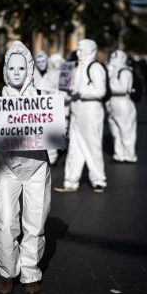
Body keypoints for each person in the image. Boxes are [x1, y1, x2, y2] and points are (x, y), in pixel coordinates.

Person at [0, 41, 67, 294]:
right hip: (6, 170)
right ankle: (7, 273)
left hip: (36, 168)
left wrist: (61, 136)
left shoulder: (43, 100)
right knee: (5, 222)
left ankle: (30, 272)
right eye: (12, 68)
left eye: (22, 67)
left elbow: (56, 132)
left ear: (29, 69)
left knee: (35, 223)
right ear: (5, 70)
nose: (17, 72)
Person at [54, 39, 107, 194]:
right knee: (74, 149)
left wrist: (81, 92)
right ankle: (70, 181)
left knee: (93, 146)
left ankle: (99, 180)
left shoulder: (95, 67)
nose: (77, 53)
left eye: (81, 49)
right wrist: (69, 90)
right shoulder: (77, 67)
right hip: (77, 112)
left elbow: (100, 92)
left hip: (91, 113)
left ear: (90, 50)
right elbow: (75, 89)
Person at [106, 50, 138, 163]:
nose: (112, 60)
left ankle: (129, 155)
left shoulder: (125, 72)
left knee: (126, 131)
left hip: (123, 103)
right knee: (115, 132)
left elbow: (123, 89)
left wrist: (107, 85)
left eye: (115, 58)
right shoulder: (114, 71)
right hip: (113, 104)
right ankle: (119, 154)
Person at [40, 53, 64, 166]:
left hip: (65, 110)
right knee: (51, 133)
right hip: (51, 111)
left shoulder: (64, 75)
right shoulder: (46, 78)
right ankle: (51, 159)